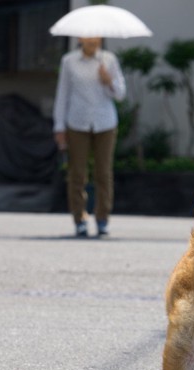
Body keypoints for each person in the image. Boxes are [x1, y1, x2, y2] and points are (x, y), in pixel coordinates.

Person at [53, 37, 126, 237]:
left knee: (103, 172)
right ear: (80, 39)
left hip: (105, 122)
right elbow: (63, 94)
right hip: (77, 122)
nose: (92, 40)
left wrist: (107, 80)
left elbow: (120, 94)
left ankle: (102, 218)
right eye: (88, 36)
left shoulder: (109, 60)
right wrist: (59, 126)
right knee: (77, 173)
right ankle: (79, 219)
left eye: (96, 36)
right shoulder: (69, 61)